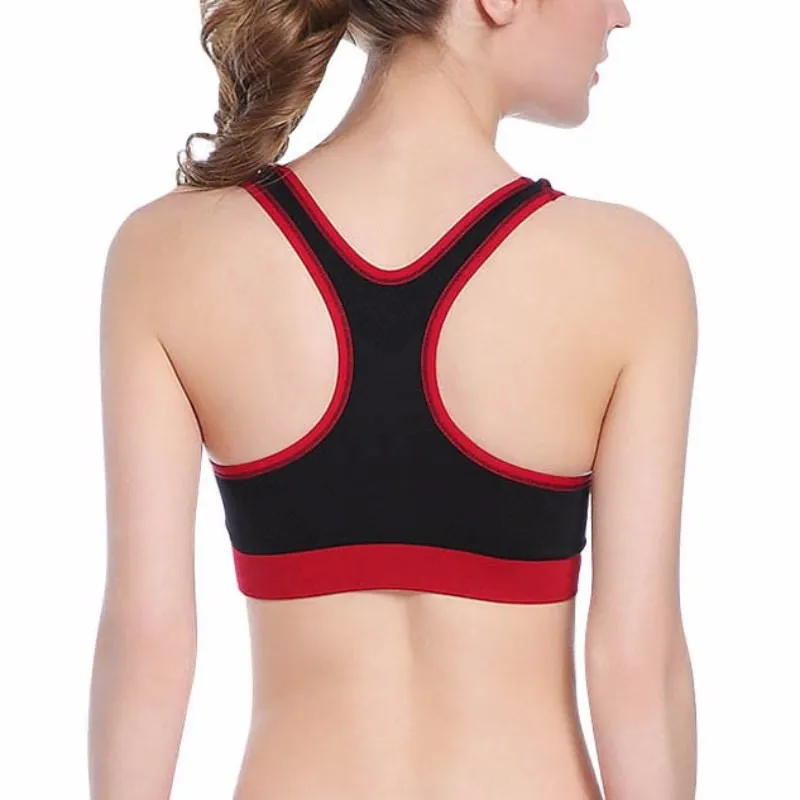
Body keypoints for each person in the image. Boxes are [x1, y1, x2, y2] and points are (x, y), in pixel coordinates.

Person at [88, 0, 698, 798]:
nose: (620, 16)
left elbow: (148, 644)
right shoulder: (629, 270)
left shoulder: (168, 253)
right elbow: (635, 668)